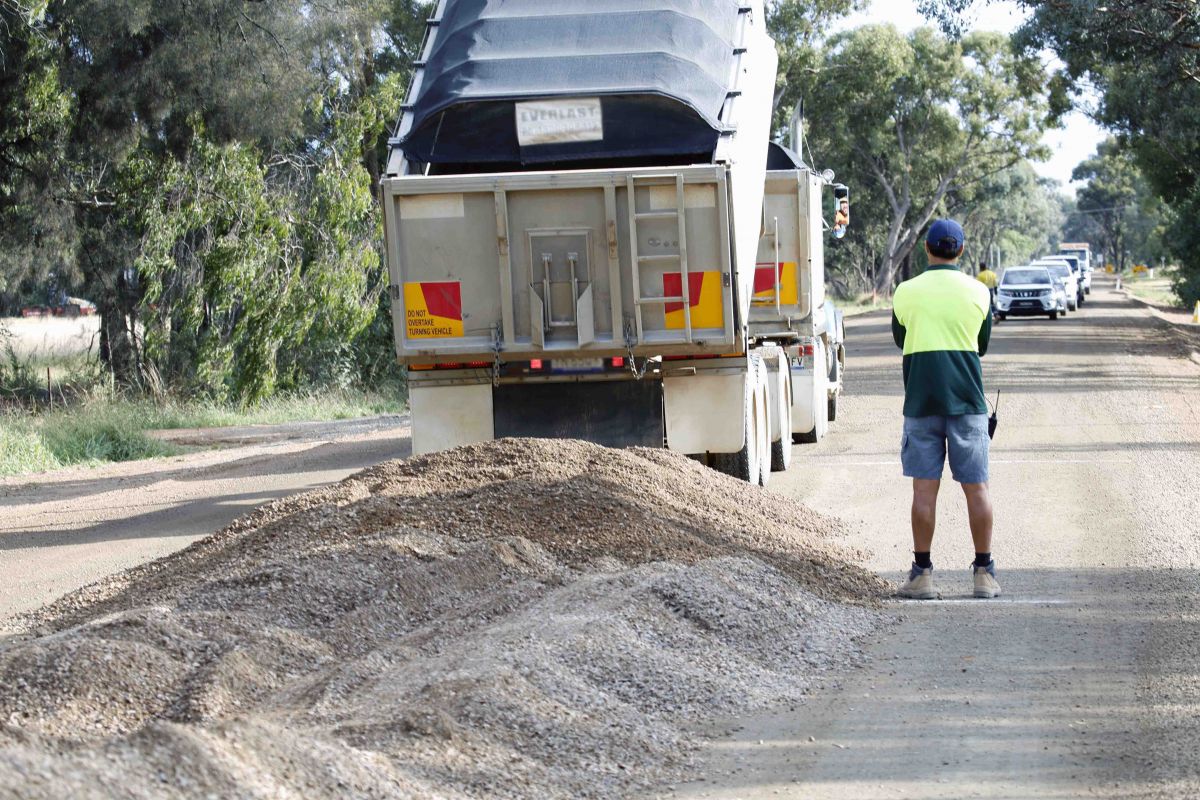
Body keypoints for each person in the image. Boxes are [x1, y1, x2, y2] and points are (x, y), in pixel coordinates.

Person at [890, 219, 1000, 600]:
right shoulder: (979, 292)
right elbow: (981, 345)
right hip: (968, 402)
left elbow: (901, 338)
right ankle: (983, 575)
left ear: (927, 249)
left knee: (924, 490)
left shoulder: (905, 291)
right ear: (962, 251)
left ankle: (922, 575)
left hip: (921, 401)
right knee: (977, 488)